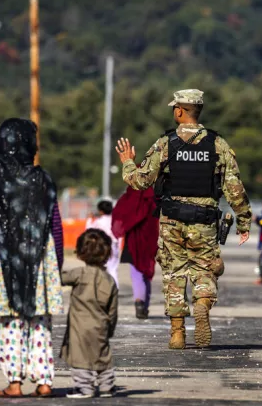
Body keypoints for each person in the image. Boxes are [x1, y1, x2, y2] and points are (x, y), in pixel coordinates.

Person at [116, 89, 252, 349]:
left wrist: (127, 162)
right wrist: (244, 222)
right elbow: (234, 189)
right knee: (204, 271)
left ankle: (177, 333)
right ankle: (202, 304)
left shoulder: (165, 144)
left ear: (179, 111)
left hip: (172, 221)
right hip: (204, 221)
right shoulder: (217, 144)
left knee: (173, 275)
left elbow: (140, 181)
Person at [0, 118, 65, 397]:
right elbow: (55, 225)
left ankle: (14, 383)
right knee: (39, 322)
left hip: (2, 259)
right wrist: (56, 263)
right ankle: (44, 381)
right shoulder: (43, 179)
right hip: (41, 258)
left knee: (7, 323)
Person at [61, 229, 119, 399]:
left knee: (80, 359)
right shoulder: (109, 280)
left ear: (80, 253)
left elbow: (60, 278)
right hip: (101, 325)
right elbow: (113, 310)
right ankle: (107, 386)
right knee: (103, 356)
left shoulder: (79, 274)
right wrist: (110, 329)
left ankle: (85, 388)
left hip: (79, 328)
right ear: (108, 253)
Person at [111, 186, 159, 319]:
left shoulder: (129, 197)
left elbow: (119, 215)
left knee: (136, 272)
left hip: (133, 241)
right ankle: (144, 305)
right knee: (146, 272)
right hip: (150, 240)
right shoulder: (154, 198)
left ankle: (139, 302)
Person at [85, 200, 120, 286]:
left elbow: (89, 230)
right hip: (114, 246)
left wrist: (89, 219)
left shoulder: (99, 221)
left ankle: (104, 289)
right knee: (113, 269)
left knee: (103, 268)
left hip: (103, 246)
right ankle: (115, 287)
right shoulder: (115, 221)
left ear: (100, 211)